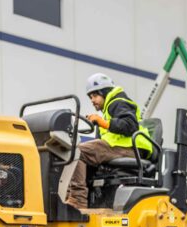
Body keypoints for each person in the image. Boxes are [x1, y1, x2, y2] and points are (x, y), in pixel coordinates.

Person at [65, 73, 153, 210]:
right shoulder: (108, 110)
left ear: (105, 92)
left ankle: (78, 199)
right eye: (90, 97)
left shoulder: (118, 102)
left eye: (95, 96)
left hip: (130, 148)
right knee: (78, 153)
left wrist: (103, 123)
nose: (92, 100)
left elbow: (130, 125)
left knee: (77, 151)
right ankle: (71, 196)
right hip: (118, 147)